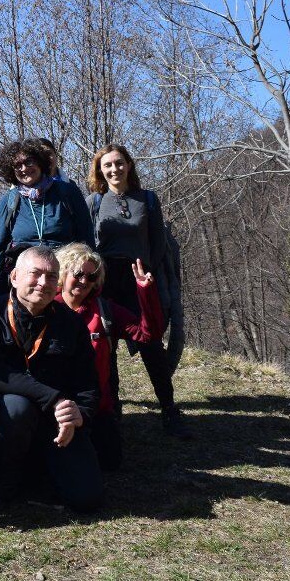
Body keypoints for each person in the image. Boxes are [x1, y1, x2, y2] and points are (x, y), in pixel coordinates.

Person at [0, 246, 102, 513]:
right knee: (16, 407)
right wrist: (54, 399)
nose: (44, 282)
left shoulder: (72, 323)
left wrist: (79, 414)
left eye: (52, 276)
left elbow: (88, 380)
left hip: (58, 419)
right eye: (36, 274)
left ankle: (42, 471)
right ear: (15, 276)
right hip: (11, 417)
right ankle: (3, 480)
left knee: (86, 498)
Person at [86, 143, 190, 437]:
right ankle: (113, 409)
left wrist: (147, 273)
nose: (113, 169)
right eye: (107, 165)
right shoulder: (94, 202)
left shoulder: (148, 199)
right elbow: (88, 244)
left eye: (119, 163)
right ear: (100, 170)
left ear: (129, 165)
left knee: (151, 343)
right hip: (105, 281)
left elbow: (158, 243)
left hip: (139, 280)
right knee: (106, 346)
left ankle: (169, 409)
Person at [54, 243, 164, 470]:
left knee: (110, 464)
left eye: (91, 276)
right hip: (55, 407)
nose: (84, 281)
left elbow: (147, 334)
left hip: (96, 409)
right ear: (63, 273)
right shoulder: (46, 308)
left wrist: (145, 291)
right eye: (78, 274)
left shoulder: (105, 311)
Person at [0, 138, 93, 298]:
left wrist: (89, 277)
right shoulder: (9, 200)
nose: (24, 169)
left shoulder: (67, 192)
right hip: (25, 276)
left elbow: (87, 239)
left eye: (29, 162)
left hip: (63, 276)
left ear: (41, 162)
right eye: (17, 165)